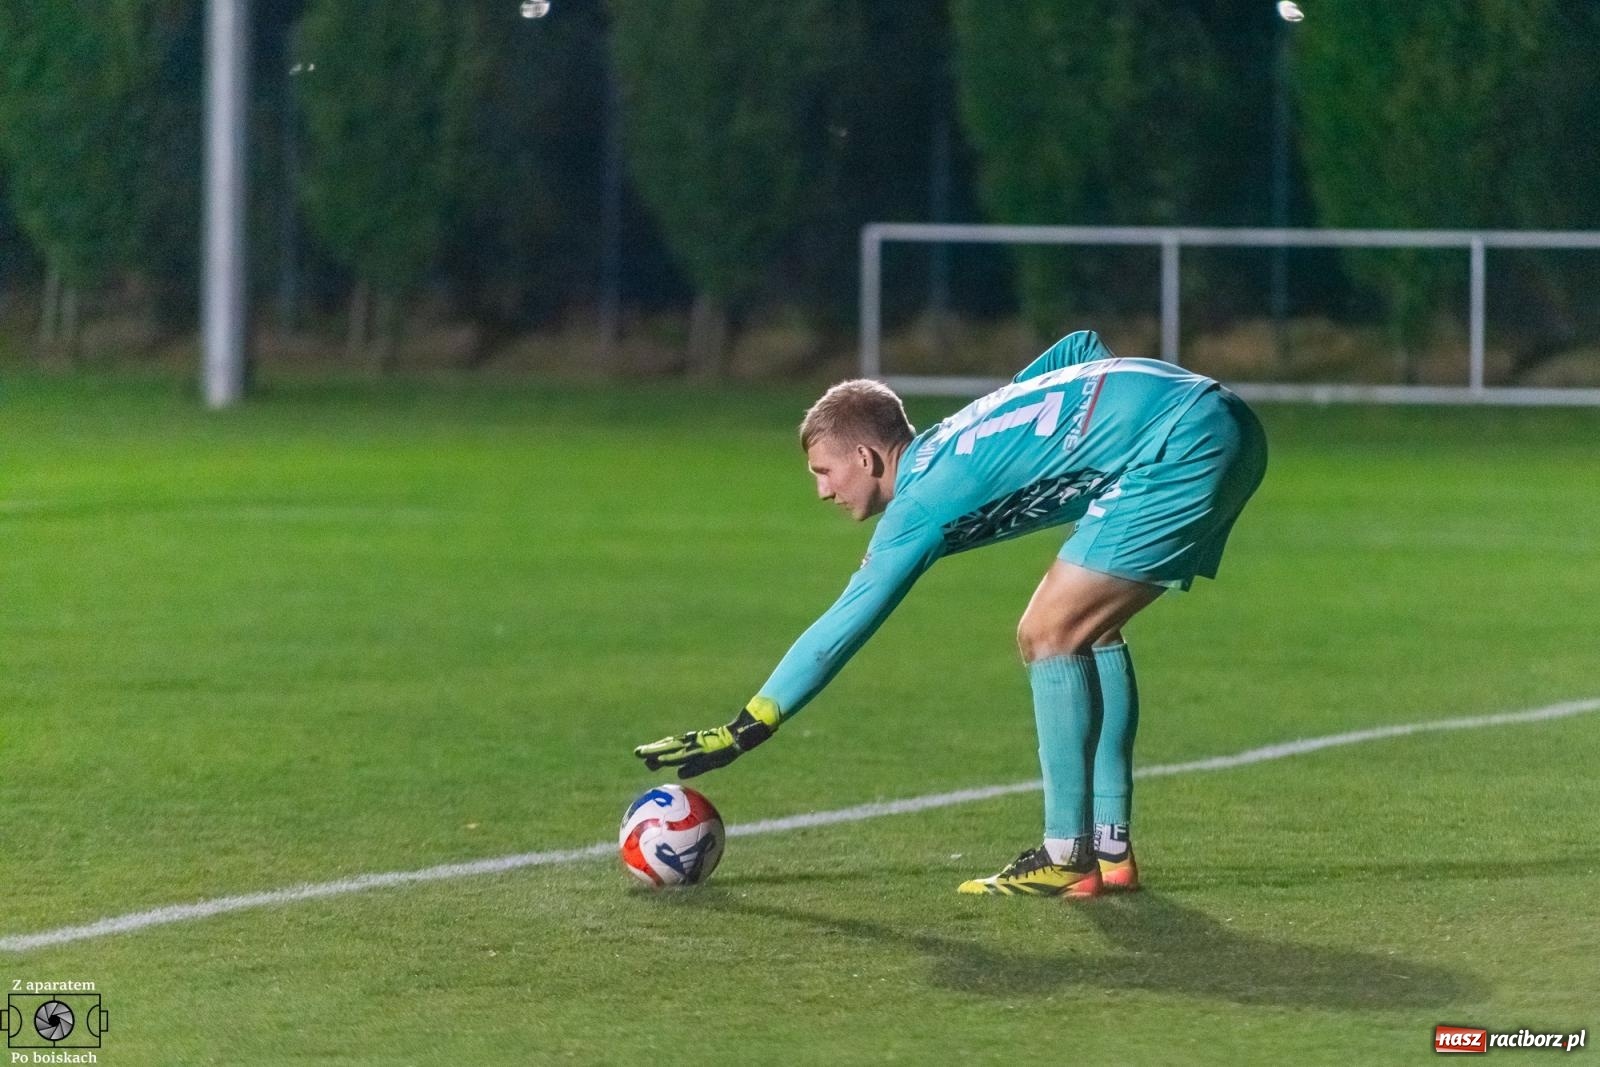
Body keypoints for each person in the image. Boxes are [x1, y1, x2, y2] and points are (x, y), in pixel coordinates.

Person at [634, 330, 1268, 898]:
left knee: (1048, 633)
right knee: (1091, 630)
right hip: (1222, 421)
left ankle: (1064, 855)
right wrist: (1069, 429)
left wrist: (749, 724)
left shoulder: (920, 503)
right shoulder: (966, 430)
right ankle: (1108, 848)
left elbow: (846, 623)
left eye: (824, 472)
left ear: (866, 458)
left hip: (1179, 446)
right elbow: (1080, 347)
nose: (822, 490)